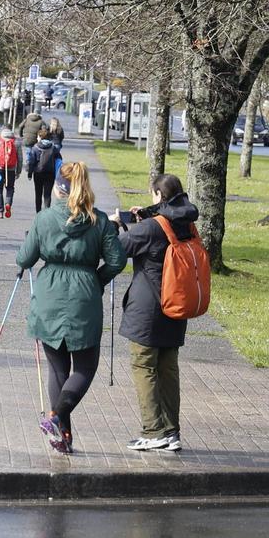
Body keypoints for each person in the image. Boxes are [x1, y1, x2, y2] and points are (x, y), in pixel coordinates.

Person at [17, 162, 126, 453]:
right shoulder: (100, 221)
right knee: (86, 367)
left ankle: (60, 431)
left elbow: (25, 258)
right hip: (84, 297)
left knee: (58, 369)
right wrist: (96, 279)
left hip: (49, 295)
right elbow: (117, 261)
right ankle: (58, 423)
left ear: (57, 188)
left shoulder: (44, 218)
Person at [108, 174, 199, 453]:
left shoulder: (150, 228)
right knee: (168, 370)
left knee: (144, 367)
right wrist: (140, 220)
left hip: (148, 311)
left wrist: (115, 227)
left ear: (159, 195)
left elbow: (116, 250)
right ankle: (172, 432)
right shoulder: (187, 224)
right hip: (176, 308)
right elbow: (158, 233)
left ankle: (153, 431)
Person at [26, 133, 61, 213]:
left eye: (38, 136)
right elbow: (59, 159)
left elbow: (31, 161)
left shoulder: (35, 148)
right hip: (50, 173)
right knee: (47, 195)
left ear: (40, 137)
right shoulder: (53, 147)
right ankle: (46, 212)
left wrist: (30, 173)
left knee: (38, 194)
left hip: (38, 173)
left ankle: (38, 213)